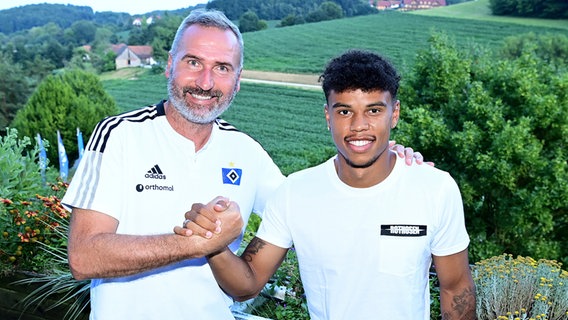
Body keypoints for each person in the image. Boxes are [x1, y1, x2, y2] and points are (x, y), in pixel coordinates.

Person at [62, 9, 425, 320]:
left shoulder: (246, 152)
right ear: (170, 64)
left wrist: (381, 163)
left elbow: (314, 206)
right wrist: (198, 244)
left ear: (237, 81)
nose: (206, 82)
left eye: (222, 68)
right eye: (193, 63)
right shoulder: (120, 135)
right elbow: (84, 256)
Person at [179, 49, 476, 319]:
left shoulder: (435, 189)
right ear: (327, 117)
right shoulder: (295, 192)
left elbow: (456, 289)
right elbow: (247, 284)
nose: (359, 126)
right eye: (344, 111)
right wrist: (214, 246)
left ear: (394, 114)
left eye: (374, 110)